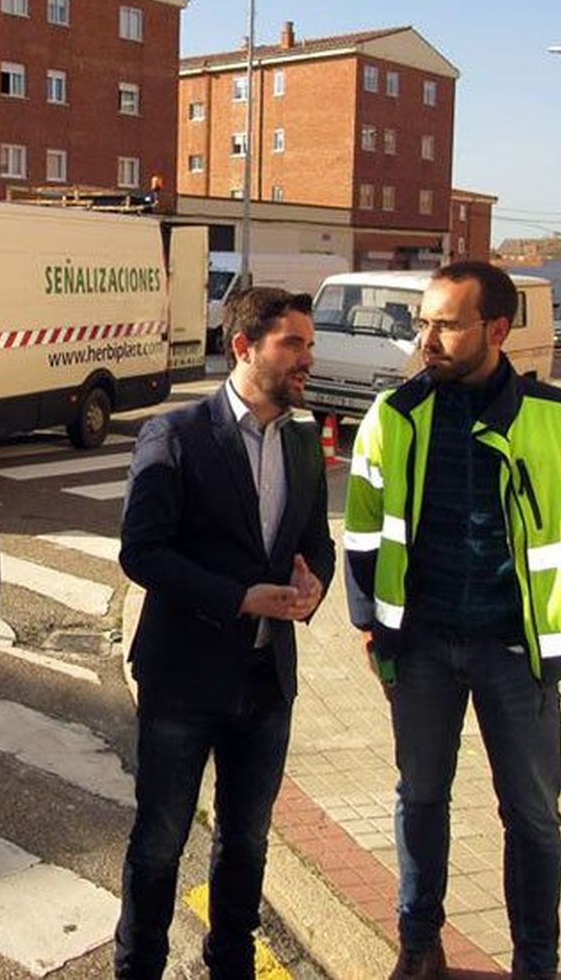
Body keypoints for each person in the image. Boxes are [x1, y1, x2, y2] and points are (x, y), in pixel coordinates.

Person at [342, 261, 561, 980]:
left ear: (497, 329)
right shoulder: (395, 416)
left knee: (534, 819)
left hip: (518, 655)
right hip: (420, 650)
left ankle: (534, 963)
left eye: (445, 324)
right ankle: (419, 944)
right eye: (422, 323)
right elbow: (359, 530)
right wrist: (369, 625)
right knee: (420, 799)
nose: (427, 340)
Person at [115, 287, 336, 980]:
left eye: (308, 343)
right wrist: (239, 598)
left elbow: (314, 542)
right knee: (160, 841)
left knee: (247, 840)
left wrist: (315, 583)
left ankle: (230, 963)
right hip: (185, 678)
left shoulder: (302, 440)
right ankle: (138, 965)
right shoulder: (176, 435)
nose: (308, 357)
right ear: (244, 347)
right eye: (292, 343)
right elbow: (142, 552)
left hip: (268, 681)